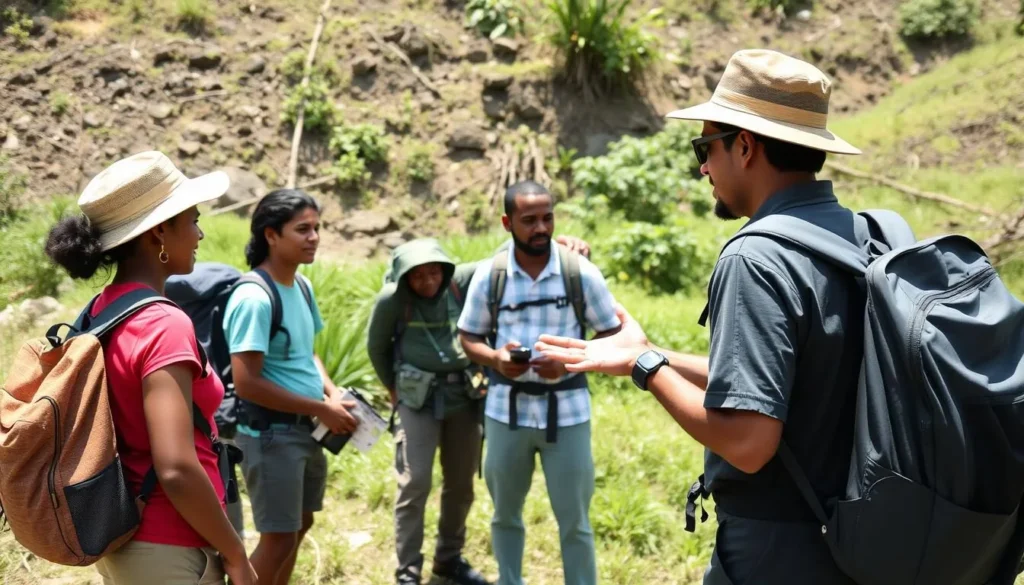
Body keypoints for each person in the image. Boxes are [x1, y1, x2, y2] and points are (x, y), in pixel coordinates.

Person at [536, 49, 867, 585]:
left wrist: (646, 367)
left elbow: (749, 442)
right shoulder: (854, 235)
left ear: (744, 145)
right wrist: (655, 356)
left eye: (705, 146)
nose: (702, 166)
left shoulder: (756, 258)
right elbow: (788, 380)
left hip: (777, 546)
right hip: (855, 535)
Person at [43, 151, 257, 585]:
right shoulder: (164, 324)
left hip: (127, 536)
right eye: (193, 219)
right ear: (159, 231)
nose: (199, 233)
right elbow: (176, 467)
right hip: (170, 546)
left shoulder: (100, 311)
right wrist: (236, 554)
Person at [367, 233, 594, 585]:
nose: (427, 281)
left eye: (433, 272)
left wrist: (560, 243)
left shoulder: (461, 282)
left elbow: (510, 253)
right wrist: (394, 392)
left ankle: (448, 558)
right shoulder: (392, 301)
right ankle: (408, 570)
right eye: (417, 275)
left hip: (463, 396)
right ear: (404, 278)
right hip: (417, 400)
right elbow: (377, 348)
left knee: (461, 484)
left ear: (445, 270)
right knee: (415, 482)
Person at [456, 181, 622, 585]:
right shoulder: (489, 276)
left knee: (576, 521)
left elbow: (613, 336)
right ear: (507, 222)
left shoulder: (579, 272)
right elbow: (468, 335)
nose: (540, 228)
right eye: (528, 220)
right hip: (504, 412)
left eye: (547, 218)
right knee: (505, 516)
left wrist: (570, 365)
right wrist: (496, 358)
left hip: (566, 414)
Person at [221, 189, 360, 585]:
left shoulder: (301, 287)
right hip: (271, 435)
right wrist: (320, 408)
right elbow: (247, 383)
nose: (313, 237)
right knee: (278, 537)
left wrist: (331, 394)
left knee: (300, 523)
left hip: (305, 430)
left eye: (316, 228)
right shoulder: (254, 298)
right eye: (302, 229)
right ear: (271, 235)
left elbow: (306, 354)